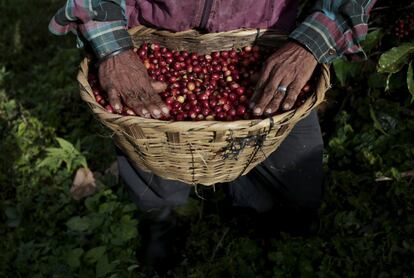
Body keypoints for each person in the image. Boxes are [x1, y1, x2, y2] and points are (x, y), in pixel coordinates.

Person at [49, 0, 376, 270]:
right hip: (152, 31)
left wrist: (312, 40)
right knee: (147, 147)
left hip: (268, 36)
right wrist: (114, 50)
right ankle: (159, 216)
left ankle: (277, 214)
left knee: (295, 177)